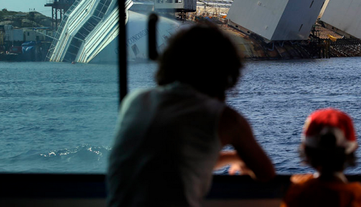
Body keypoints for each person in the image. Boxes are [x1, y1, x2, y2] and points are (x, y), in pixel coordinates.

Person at [107, 24, 275, 207]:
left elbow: (172, 161)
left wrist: (235, 157)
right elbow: (265, 173)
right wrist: (241, 157)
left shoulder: (136, 100)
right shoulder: (225, 118)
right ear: (225, 72)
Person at [281, 108, 361, 207]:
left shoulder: (299, 191)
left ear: (305, 150)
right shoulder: (357, 195)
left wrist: (303, 182)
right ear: (353, 149)